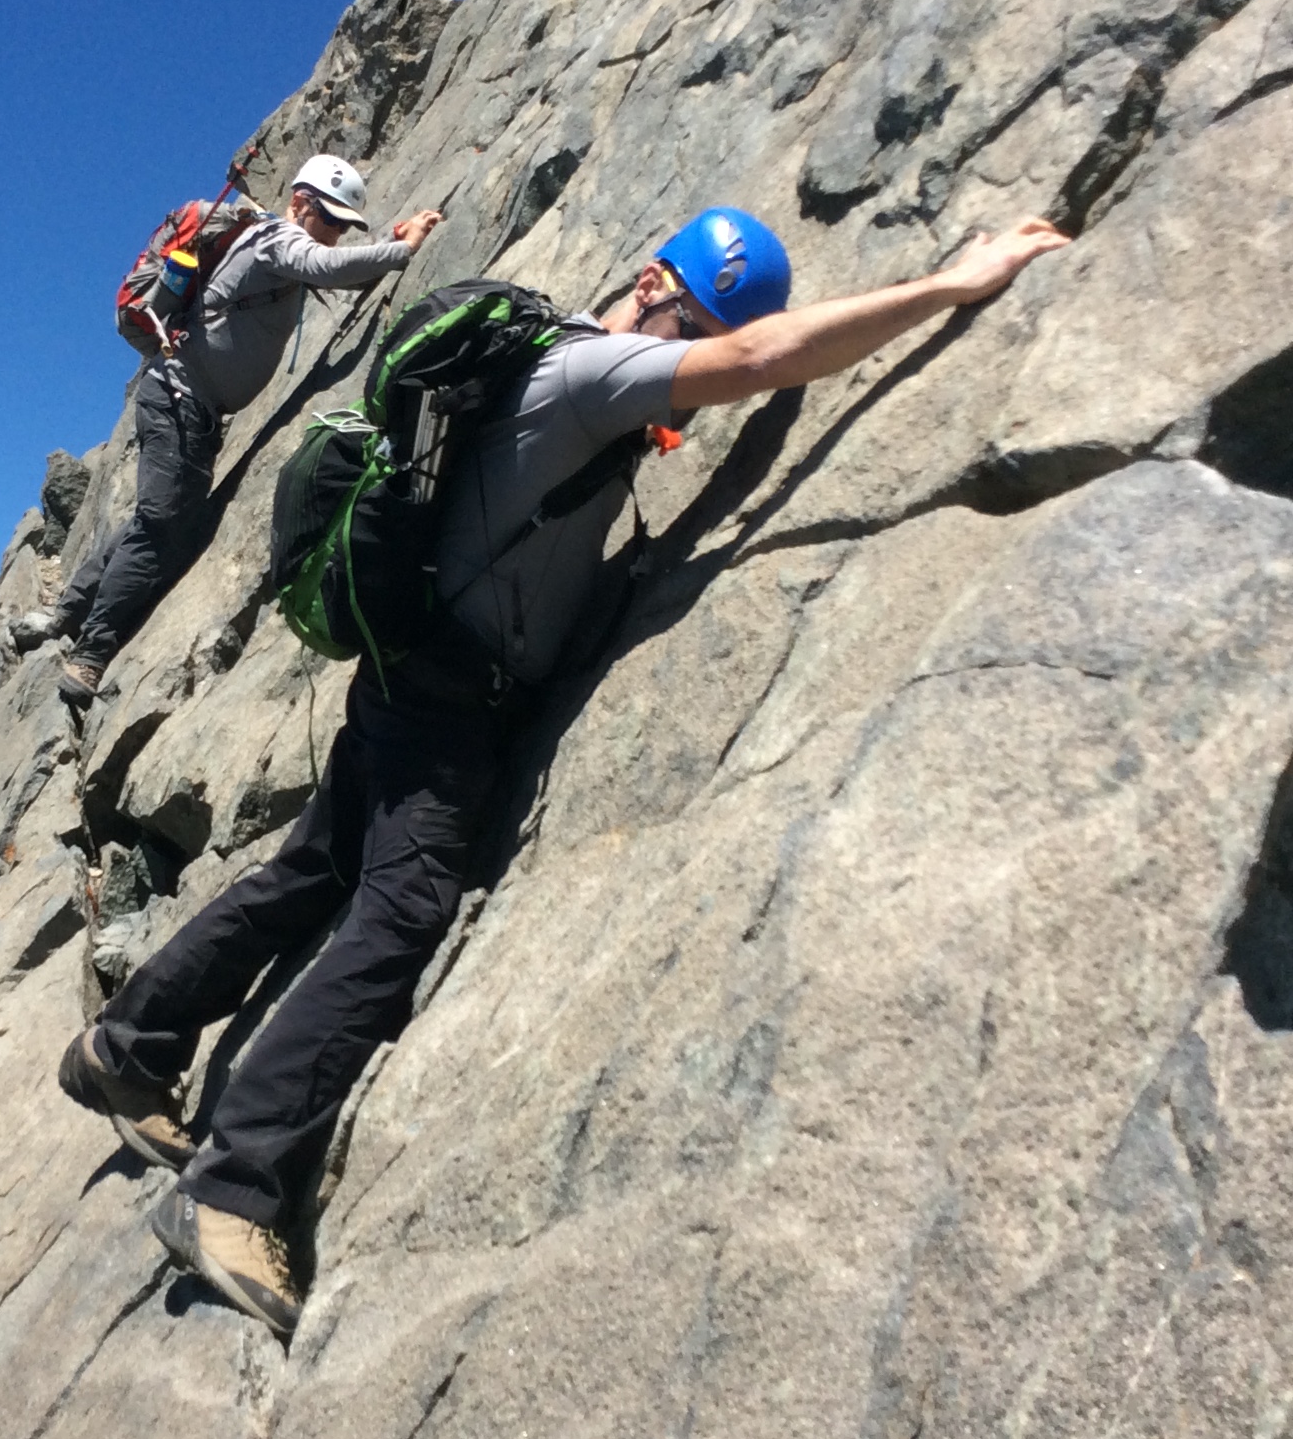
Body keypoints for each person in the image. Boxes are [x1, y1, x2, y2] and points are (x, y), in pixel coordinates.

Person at [58, 207, 1071, 1335]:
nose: (687, 360)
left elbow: (730, 362)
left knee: (311, 872)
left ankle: (127, 1044)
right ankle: (234, 1186)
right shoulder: (590, 368)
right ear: (656, 286)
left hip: (412, 673)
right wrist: (953, 284)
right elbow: (751, 361)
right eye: (694, 318)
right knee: (401, 909)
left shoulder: (548, 356)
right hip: (447, 700)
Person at [54, 155, 443, 707]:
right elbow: (328, 268)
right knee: (165, 525)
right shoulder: (276, 238)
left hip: (190, 404)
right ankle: (90, 653)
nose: (333, 233)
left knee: (164, 515)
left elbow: (335, 270)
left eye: (342, 226)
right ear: (301, 203)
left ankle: (69, 611)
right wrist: (404, 249)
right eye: (328, 219)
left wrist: (389, 244)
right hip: (179, 397)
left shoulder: (284, 247)